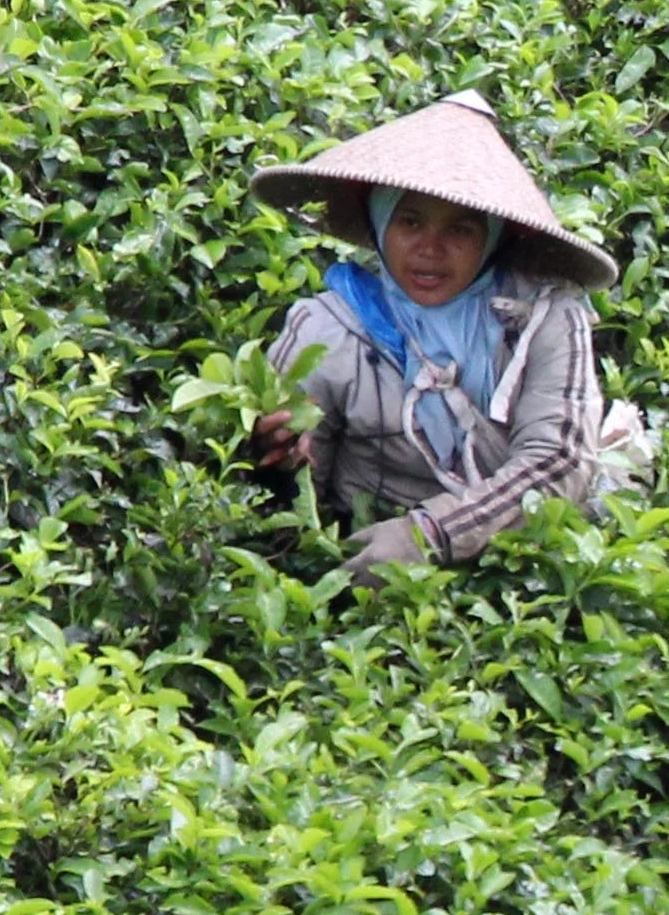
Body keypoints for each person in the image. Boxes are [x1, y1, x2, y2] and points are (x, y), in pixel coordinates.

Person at [249, 90, 616, 583]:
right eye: (410, 221)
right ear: (380, 224)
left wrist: (429, 535)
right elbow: (293, 515)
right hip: (365, 578)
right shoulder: (328, 333)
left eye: (461, 231)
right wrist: (277, 460)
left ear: (493, 239)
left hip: (519, 569)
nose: (430, 249)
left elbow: (559, 461)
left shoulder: (542, 321)